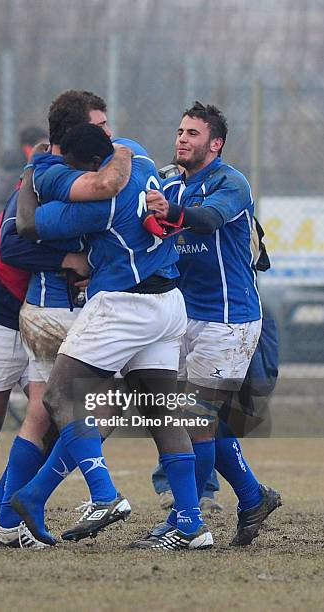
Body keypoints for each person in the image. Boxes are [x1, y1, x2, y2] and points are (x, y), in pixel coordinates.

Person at [11, 123, 213, 551]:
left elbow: (27, 225)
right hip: (168, 302)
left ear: (87, 165)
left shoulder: (97, 204)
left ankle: (103, 493)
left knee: (59, 397)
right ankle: (192, 522)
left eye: (76, 171)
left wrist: (32, 171)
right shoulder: (137, 154)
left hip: (125, 307)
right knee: (161, 415)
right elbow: (121, 147)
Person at [0, 91, 132, 548]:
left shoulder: (87, 176)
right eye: (100, 124)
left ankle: (0, 513)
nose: (108, 134)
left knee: (49, 411)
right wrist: (70, 258)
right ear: (69, 136)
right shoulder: (36, 180)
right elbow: (12, 246)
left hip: (44, 314)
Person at [137, 101, 281, 548]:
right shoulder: (167, 180)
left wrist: (167, 213)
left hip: (229, 320)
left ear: (215, 144)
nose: (182, 139)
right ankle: (253, 497)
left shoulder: (230, 183)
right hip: (184, 317)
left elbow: (208, 220)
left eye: (193, 133)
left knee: (195, 419)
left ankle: (187, 522)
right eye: (180, 131)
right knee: (197, 420)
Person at [0, 126, 48, 224]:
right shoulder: (22, 174)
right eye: (43, 147)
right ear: (29, 149)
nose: (47, 152)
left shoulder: (12, 169)